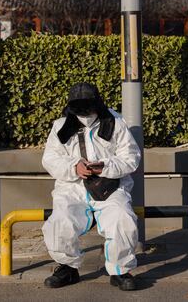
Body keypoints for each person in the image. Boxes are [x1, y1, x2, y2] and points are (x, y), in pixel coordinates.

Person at [41, 82, 141, 291]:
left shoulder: (115, 122)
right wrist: (74, 167)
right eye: (79, 109)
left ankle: (120, 270)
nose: (85, 114)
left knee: (122, 218)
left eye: (88, 108)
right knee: (59, 222)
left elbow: (131, 157)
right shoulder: (60, 126)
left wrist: (104, 167)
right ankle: (68, 268)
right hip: (72, 188)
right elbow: (50, 159)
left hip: (110, 186)